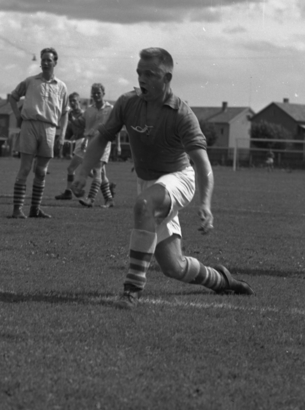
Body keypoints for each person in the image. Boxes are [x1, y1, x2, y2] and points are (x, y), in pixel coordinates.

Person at [74, 47, 253, 308]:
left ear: (167, 79)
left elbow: (203, 165)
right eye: (139, 73)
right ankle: (222, 280)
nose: (142, 79)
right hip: (150, 184)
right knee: (173, 266)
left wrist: (205, 205)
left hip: (179, 179)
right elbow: (102, 137)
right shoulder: (128, 103)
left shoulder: (181, 114)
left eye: (150, 74)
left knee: (144, 204)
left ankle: (131, 290)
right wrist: (81, 171)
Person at [6, 47, 68, 219]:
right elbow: (13, 97)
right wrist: (18, 116)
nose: (46, 63)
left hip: (49, 129)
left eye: (49, 60)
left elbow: (65, 112)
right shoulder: (31, 81)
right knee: (25, 168)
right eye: (43, 60)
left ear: (55, 62)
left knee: (41, 171)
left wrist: (61, 135)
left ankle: (35, 209)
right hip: (30, 126)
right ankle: (17, 209)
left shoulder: (61, 87)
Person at [77, 82, 117, 208]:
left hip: (104, 142)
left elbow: (116, 126)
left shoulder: (110, 109)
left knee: (97, 170)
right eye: (93, 93)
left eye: (98, 92)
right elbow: (88, 129)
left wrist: (118, 143)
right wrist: (84, 141)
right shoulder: (89, 110)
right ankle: (109, 200)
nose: (96, 95)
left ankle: (90, 199)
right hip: (91, 142)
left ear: (103, 94)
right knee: (102, 174)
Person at [54, 92, 87, 199]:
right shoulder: (70, 114)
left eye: (74, 101)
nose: (72, 103)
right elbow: (72, 130)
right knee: (91, 171)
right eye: (70, 101)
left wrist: (84, 140)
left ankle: (68, 192)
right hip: (80, 142)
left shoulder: (84, 114)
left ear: (79, 102)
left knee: (70, 168)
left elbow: (86, 129)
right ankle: (107, 187)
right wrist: (71, 136)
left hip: (83, 143)